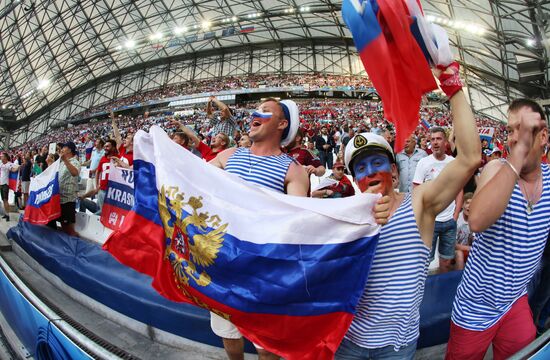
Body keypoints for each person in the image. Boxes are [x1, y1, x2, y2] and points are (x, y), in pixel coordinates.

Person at [335, 63, 480, 360]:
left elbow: (469, 158)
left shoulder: (419, 203)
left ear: (392, 169)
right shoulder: (344, 215)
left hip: (395, 348)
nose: (369, 172)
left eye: (376, 163)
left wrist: (452, 85)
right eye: (360, 168)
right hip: (346, 342)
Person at [447, 99, 549, 360]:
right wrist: (519, 152)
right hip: (475, 307)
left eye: (523, 129)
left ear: (544, 135)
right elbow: (477, 220)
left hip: (515, 301)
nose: (515, 138)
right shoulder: (497, 169)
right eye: (511, 131)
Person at [413, 126, 460, 272]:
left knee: (446, 261)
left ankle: (441, 289)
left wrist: (456, 214)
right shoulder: (423, 163)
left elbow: (459, 189)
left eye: (438, 139)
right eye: (432, 139)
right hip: (430, 222)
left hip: (449, 220)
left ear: (445, 141)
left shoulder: (453, 162)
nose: (435, 142)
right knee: (425, 262)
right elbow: (416, 190)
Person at [47, 142, 81, 236]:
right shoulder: (61, 163)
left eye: (64, 147)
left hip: (68, 199)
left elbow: (75, 173)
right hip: (58, 198)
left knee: (68, 229)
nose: (61, 149)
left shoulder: (75, 162)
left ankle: (75, 245)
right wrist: (49, 164)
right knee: (57, 224)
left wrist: (66, 160)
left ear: (70, 150)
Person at [454, 192, 474, 270]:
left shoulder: (473, 220)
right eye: (467, 203)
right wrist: (468, 248)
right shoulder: (456, 219)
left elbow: (473, 240)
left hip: (467, 249)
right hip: (454, 251)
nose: (469, 206)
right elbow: (453, 245)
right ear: (462, 205)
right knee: (459, 254)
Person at [0, 153, 20, 221]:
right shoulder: (1, 164)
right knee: (3, 200)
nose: (1, 157)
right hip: (1, 184)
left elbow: (13, 170)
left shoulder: (8, 164)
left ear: (5, 157)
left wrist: (18, 167)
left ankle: (8, 215)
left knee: (5, 200)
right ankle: (6, 214)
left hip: (5, 184)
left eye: (2, 156)